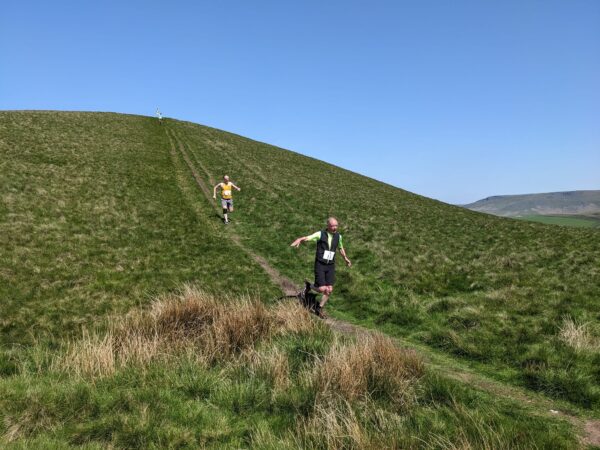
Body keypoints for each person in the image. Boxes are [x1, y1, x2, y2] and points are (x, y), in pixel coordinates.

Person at [290, 217, 351, 318]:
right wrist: (300, 239)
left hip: (330, 265)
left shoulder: (338, 237)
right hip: (320, 264)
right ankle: (310, 286)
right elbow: (309, 237)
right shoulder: (320, 234)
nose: (335, 228)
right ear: (328, 225)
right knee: (323, 289)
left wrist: (345, 258)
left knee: (329, 290)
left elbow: (340, 247)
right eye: (332, 226)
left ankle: (319, 308)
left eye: (336, 226)